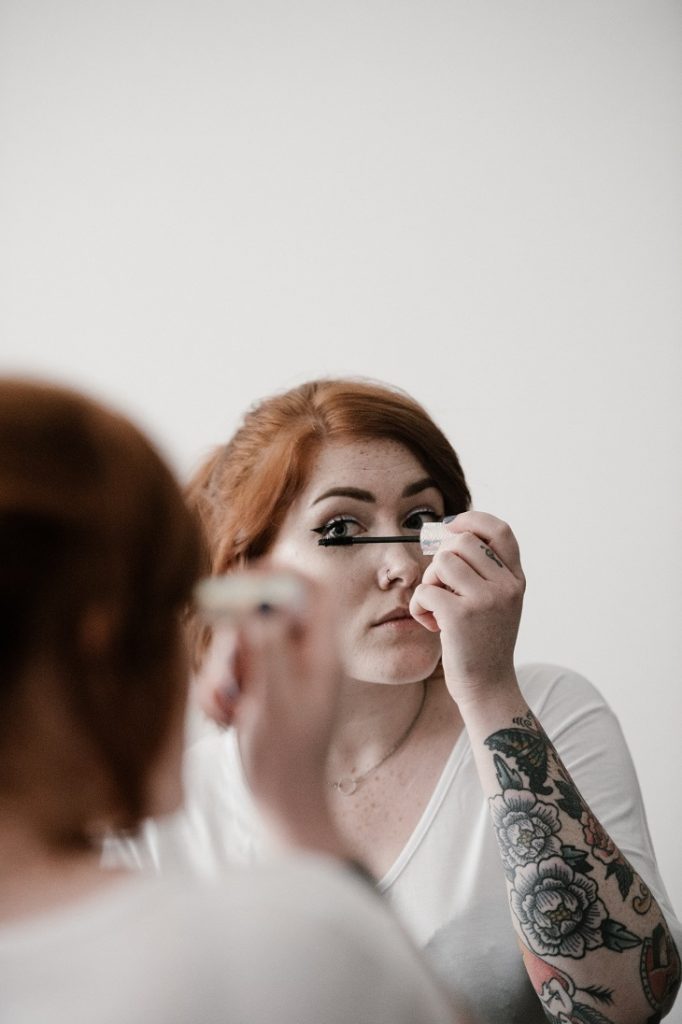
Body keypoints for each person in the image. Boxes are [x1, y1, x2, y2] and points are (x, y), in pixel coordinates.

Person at [121, 376, 682, 1024]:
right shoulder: (167, 809)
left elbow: (629, 1006)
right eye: (340, 528)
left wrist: (487, 688)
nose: (401, 564)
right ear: (248, 571)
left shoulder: (548, 709)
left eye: (420, 520)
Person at [0, 377, 466, 1024]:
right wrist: (301, 819)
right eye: (181, 608)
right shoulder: (272, 948)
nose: (400, 564)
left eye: (420, 522)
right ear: (101, 651)